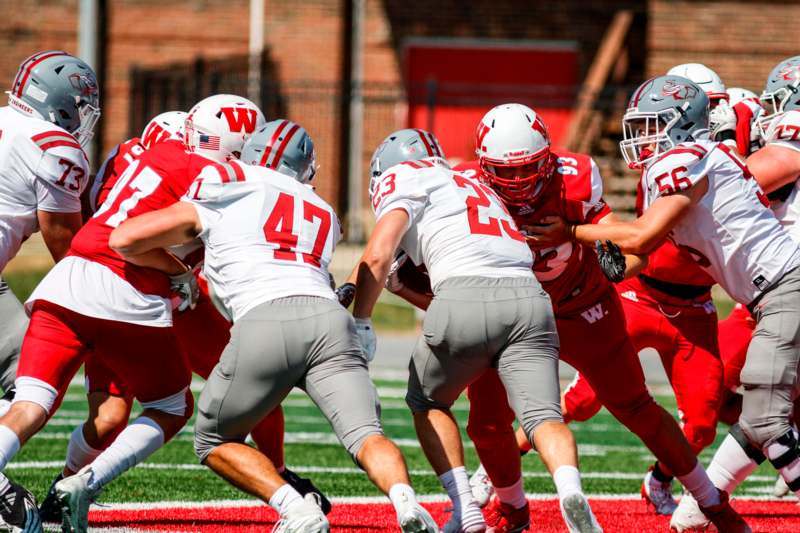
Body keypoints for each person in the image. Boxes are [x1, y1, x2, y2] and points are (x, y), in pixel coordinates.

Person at [108, 122, 439, 533]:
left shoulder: (227, 179)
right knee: (366, 434)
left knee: (214, 440)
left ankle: (295, 508)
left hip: (264, 318)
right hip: (329, 319)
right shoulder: (323, 210)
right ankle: (407, 503)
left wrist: (180, 272)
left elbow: (125, 240)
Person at [531, 73, 800, 532]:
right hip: (773, 292)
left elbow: (641, 234)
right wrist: (580, 272)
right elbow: (640, 256)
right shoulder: (698, 161)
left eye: (649, 125)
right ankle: (701, 512)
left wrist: (570, 232)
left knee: (770, 418)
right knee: (758, 418)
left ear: (680, 123)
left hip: (785, 286)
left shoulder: (683, 159)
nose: (639, 138)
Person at [352, 127, 600, 533]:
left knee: (427, 401)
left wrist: (361, 317)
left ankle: (464, 508)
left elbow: (377, 256)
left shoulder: (404, 178)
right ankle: (570, 489)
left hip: (463, 295)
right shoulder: (470, 181)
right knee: (543, 418)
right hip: (529, 296)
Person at [672, 55, 800, 525]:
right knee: (767, 405)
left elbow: (759, 177)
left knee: (766, 404)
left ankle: (698, 499)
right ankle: (700, 502)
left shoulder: (793, 124)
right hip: (780, 287)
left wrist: (725, 149)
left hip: (788, 280)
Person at [0, 49, 100, 531]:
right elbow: (65, 240)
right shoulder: (55, 146)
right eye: (81, 106)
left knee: (25, 369)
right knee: (38, 381)